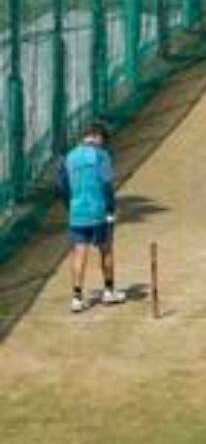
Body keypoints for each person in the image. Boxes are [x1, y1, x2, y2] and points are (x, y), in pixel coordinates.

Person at [57, 122, 123, 313]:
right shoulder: (101, 155)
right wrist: (111, 209)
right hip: (100, 210)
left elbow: (62, 187)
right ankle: (109, 291)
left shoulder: (68, 157)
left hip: (77, 211)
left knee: (79, 251)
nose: (103, 144)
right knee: (106, 249)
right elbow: (106, 184)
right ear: (96, 136)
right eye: (103, 140)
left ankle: (77, 298)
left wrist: (70, 206)